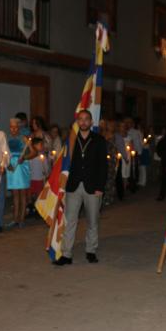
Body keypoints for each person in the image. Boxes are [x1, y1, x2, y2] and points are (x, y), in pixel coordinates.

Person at [54, 110, 107, 266]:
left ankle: (91, 250)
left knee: (92, 221)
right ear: (77, 122)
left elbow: (103, 166)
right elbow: (64, 162)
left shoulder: (99, 140)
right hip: (73, 186)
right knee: (70, 221)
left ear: (91, 122)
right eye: (80, 119)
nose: (83, 122)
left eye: (86, 119)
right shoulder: (70, 140)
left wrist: (100, 186)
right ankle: (66, 254)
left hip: (93, 186)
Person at [6, 118, 34, 228]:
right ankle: (15, 218)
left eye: (16, 127)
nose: (13, 129)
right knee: (14, 194)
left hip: (21, 166)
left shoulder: (23, 138)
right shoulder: (6, 138)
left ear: (19, 128)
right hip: (12, 166)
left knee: (22, 194)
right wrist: (7, 163)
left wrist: (25, 157)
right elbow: (4, 153)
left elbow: (33, 152)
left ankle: (22, 218)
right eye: (11, 127)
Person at [27, 137, 48, 218]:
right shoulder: (31, 156)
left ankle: (38, 211)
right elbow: (28, 167)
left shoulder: (42, 156)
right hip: (31, 179)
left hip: (39, 179)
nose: (42, 146)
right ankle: (31, 210)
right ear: (34, 146)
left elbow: (46, 167)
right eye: (40, 145)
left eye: (42, 144)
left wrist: (46, 173)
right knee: (31, 196)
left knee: (39, 195)